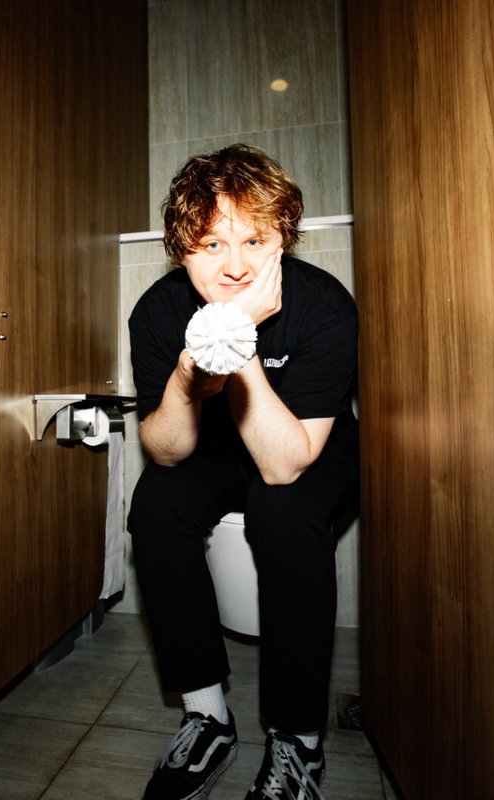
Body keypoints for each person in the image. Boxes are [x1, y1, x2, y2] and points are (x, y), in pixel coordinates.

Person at [128, 144, 359, 799]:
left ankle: (298, 739)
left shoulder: (324, 306)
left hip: (310, 444)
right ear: (181, 251)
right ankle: (206, 717)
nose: (235, 266)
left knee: (282, 510)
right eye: (211, 245)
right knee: (156, 505)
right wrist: (186, 375)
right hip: (216, 444)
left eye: (254, 240)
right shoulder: (158, 313)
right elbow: (167, 451)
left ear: (283, 237)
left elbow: (284, 466)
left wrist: (236, 337)